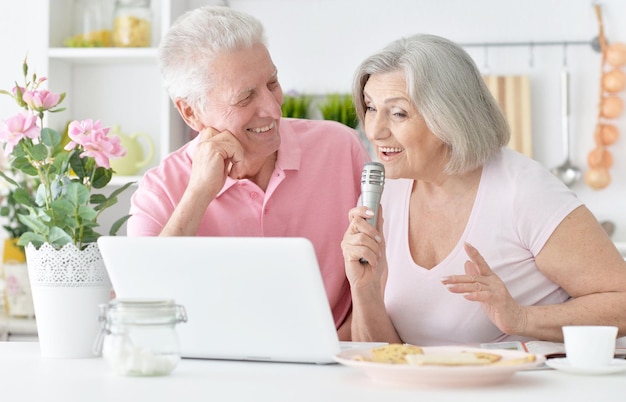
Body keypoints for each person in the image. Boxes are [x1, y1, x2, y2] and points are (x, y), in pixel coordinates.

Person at [341, 33, 626, 346]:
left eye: (398, 113)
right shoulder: (386, 193)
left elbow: (621, 302)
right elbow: (382, 357)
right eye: (370, 108)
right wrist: (365, 292)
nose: (375, 131)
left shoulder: (523, 190)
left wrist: (522, 318)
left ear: (448, 117)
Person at [126, 6, 371, 340]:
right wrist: (199, 193)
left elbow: (382, 273)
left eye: (272, 82)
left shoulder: (339, 148)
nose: (272, 108)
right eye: (245, 97)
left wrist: (334, 347)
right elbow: (141, 308)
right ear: (190, 112)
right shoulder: (160, 189)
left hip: (334, 361)